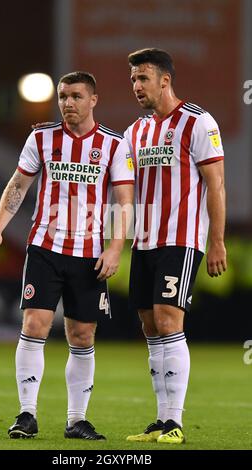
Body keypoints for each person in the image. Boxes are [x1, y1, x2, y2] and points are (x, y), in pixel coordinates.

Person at [0, 71, 134, 440]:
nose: (68, 103)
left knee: (82, 334)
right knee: (34, 324)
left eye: (76, 96)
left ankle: (76, 420)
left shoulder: (114, 145)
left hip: (89, 254)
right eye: (63, 96)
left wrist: (116, 248)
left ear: (93, 100)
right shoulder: (42, 137)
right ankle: (26, 414)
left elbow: (126, 202)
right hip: (45, 248)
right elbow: (18, 184)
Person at [124, 48, 227, 444]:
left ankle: (175, 423)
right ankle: (161, 419)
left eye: (143, 78)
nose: (136, 86)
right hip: (145, 242)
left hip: (181, 238)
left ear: (165, 80)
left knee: (169, 318)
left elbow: (216, 185)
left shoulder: (198, 122)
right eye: (133, 79)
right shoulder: (137, 131)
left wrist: (215, 240)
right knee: (150, 325)